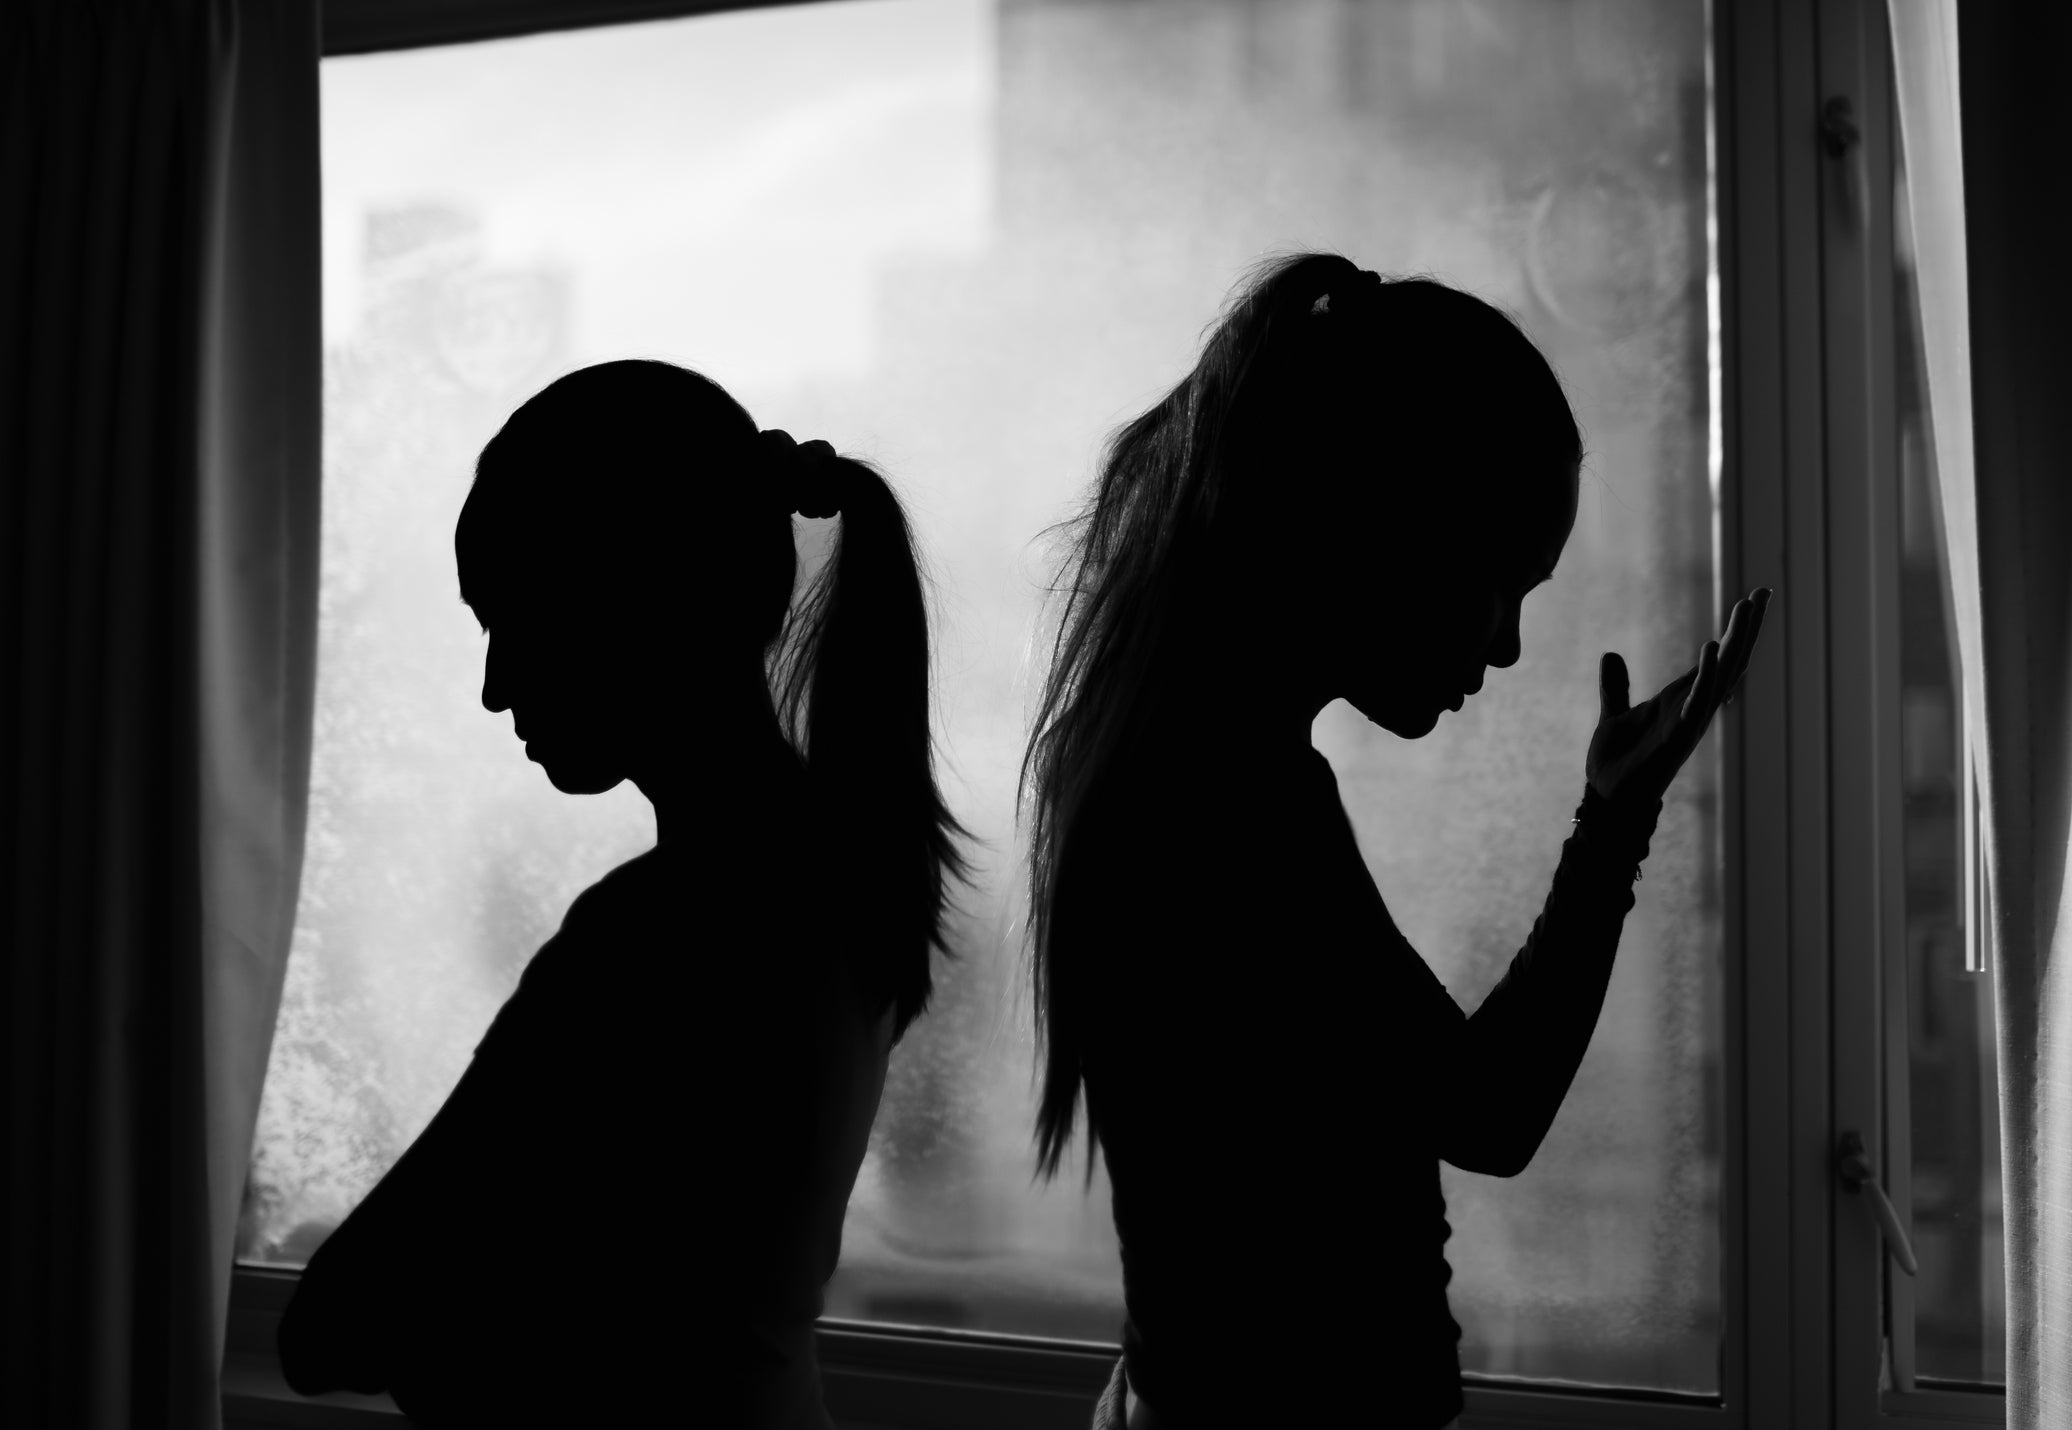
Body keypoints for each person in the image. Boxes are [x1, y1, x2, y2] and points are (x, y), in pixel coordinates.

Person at [1020, 254, 1769, 1429]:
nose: (1506, 643)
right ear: (1387, 521)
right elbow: (1487, 1110)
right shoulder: (1235, 798)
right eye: (1498, 579)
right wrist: (1610, 826)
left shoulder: (1178, 757)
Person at [276, 359, 967, 1428]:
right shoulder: (844, 876)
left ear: (633, 598)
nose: (495, 685)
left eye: (515, 617)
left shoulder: (656, 933)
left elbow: (330, 1325)